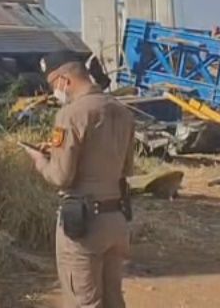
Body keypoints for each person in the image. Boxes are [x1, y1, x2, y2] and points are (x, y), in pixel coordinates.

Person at [22, 54, 135, 308]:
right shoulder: (122, 111)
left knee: (84, 301)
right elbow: (125, 168)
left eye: (53, 85)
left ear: (64, 80)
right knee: (113, 300)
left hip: (84, 225)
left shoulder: (70, 115)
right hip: (116, 219)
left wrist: (41, 161)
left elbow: (61, 177)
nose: (54, 92)